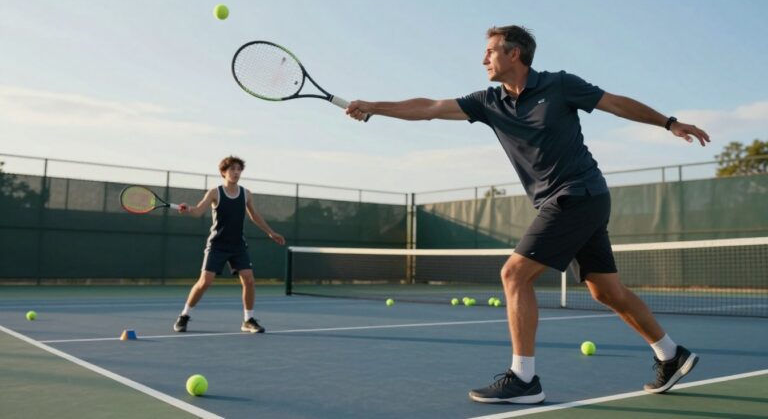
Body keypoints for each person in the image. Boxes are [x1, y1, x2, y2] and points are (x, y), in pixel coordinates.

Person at [345, 25, 710, 404]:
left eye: (490, 51)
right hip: (571, 200)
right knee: (606, 291)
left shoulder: (561, 85)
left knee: (514, 274)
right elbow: (430, 108)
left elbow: (615, 103)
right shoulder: (488, 102)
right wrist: (374, 107)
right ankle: (670, 354)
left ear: (514, 53)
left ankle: (524, 379)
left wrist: (669, 123)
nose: (483, 59)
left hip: (578, 194)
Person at [173, 155, 285, 334]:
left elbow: (254, 216)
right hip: (217, 245)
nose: (236, 172)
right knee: (204, 282)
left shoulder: (246, 194)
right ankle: (184, 316)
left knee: (249, 280)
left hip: (237, 245)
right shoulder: (214, 192)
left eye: (239, 169)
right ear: (223, 172)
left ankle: (248, 320)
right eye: (232, 169)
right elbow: (198, 211)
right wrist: (188, 209)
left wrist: (270, 232)